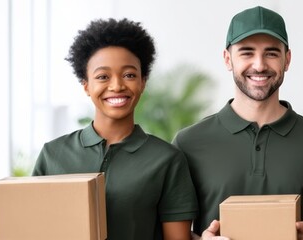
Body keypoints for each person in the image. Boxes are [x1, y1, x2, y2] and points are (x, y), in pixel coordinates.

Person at [172, 6, 303, 240]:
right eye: (246, 53)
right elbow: (174, 230)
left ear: (287, 59)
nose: (259, 65)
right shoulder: (189, 143)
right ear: (228, 59)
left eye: (271, 53)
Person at [32, 18, 198, 240]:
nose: (117, 85)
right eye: (102, 77)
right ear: (86, 86)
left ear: (142, 82)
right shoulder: (53, 155)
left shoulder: (167, 160)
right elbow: (33, 229)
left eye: (129, 75)